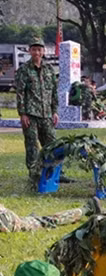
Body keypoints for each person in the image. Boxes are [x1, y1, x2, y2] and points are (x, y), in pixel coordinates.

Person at [15, 38, 58, 182]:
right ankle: (34, 174)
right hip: (31, 114)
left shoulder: (49, 69)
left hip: (47, 114)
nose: (37, 52)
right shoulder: (24, 70)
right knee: (32, 145)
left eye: (39, 49)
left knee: (52, 144)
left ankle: (55, 173)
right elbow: (20, 93)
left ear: (43, 51)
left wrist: (55, 111)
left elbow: (54, 92)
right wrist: (22, 114)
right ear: (30, 51)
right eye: (34, 49)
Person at [1, 198, 100, 233]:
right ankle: (86, 209)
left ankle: (87, 209)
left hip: (6, 220)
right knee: (43, 221)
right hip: (5, 218)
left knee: (47, 221)